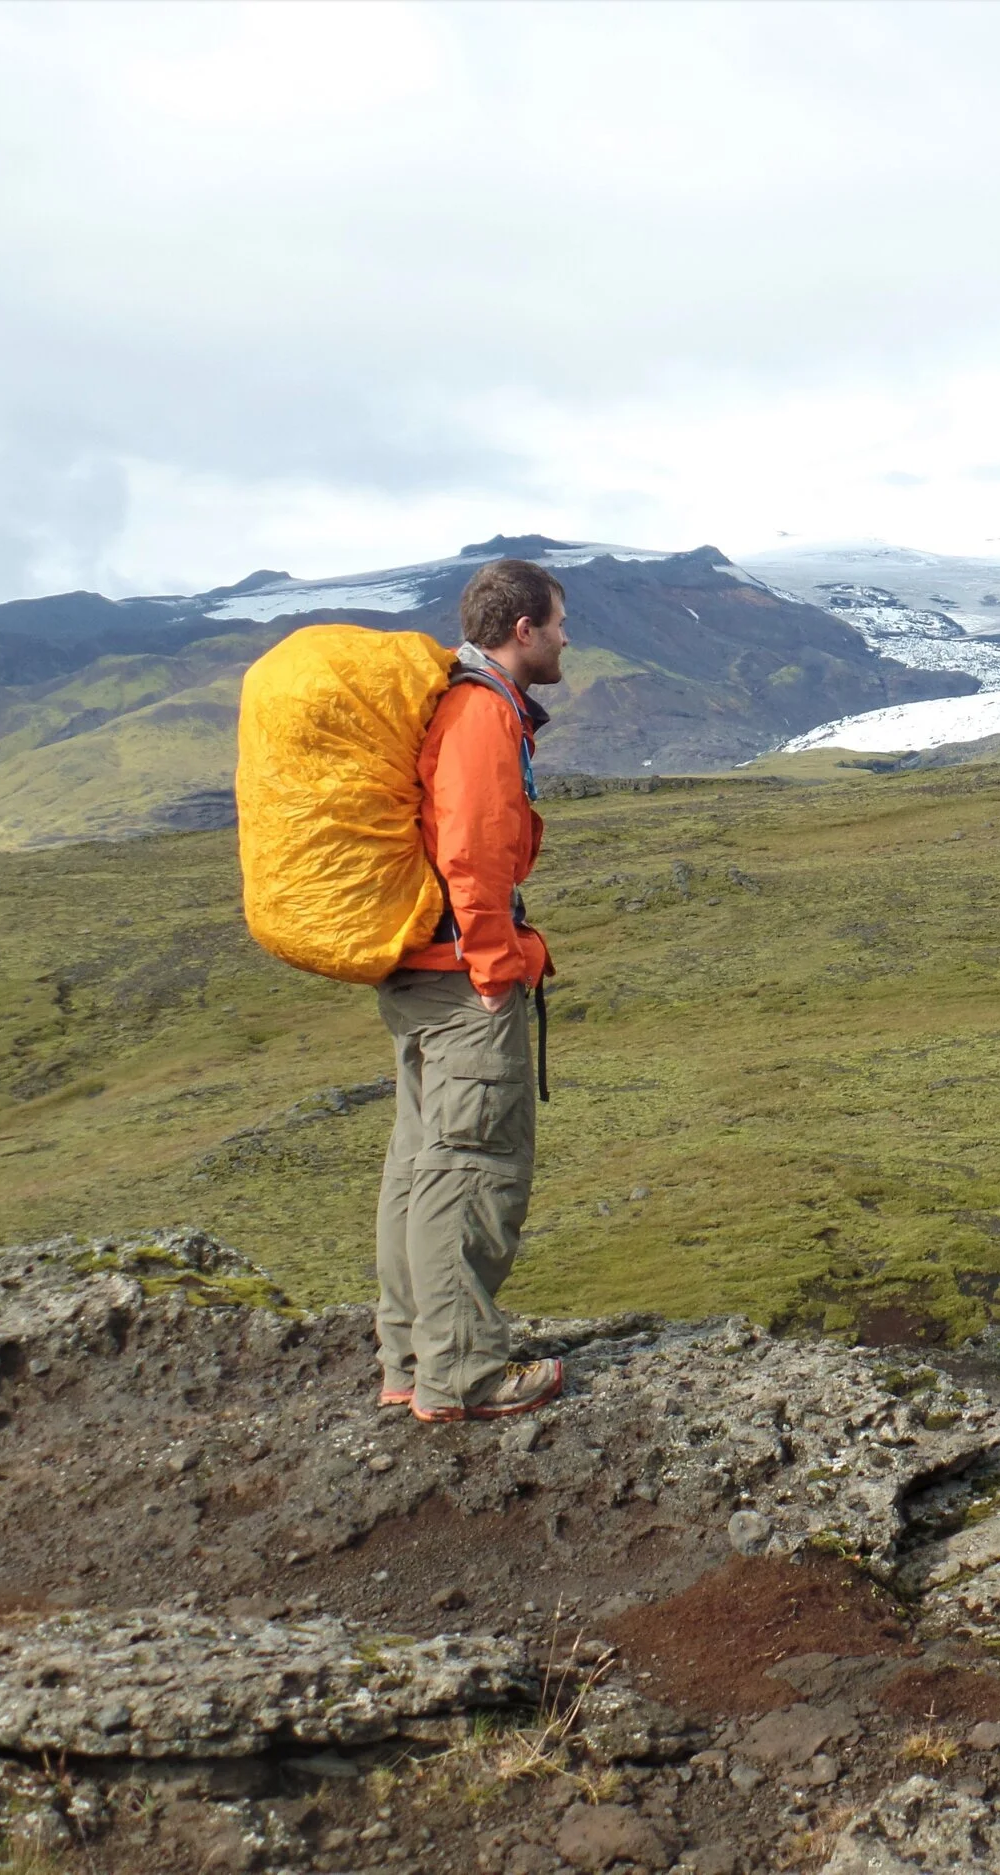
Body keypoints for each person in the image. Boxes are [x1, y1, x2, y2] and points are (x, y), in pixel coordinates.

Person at [373, 558, 570, 1422]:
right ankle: (462, 1375)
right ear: (523, 629)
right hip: (461, 978)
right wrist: (493, 966)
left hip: (421, 972)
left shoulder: (458, 701)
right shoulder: (482, 712)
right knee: (472, 1164)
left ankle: (412, 1358)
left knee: (420, 1163)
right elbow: (475, 848)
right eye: (558, 622)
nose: (566, 638)